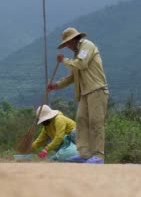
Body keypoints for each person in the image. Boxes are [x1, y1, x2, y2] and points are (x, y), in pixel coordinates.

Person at [47, 27, 109, 164]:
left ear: (75, 39)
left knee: (96, 123)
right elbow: (72, 77)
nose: (67, 46)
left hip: (97, 90)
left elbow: (81, 64)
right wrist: (56, 85)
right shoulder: (76, 55)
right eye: (66, 44)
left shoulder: (87, 46)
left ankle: (98, 156)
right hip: (84, 93)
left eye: (68, 43)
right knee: (80, 121)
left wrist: (64, 61)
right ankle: (84, 154)